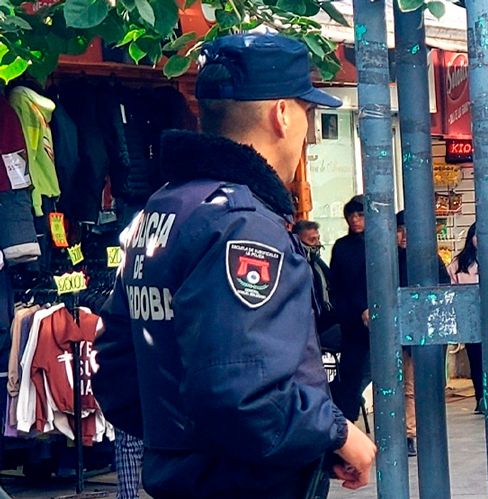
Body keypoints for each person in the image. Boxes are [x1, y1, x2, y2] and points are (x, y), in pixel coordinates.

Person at [93, 33, 376, 498]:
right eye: (307, 112)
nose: (307, 130)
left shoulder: (163, 210)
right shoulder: (244, 226)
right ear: (282, 114)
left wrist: (189, 444)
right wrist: (338, 432)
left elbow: (118, 370)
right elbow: (243, 392)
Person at [395, 210, 450, 455]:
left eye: (409, 230)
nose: (404, 235)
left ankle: (411, 432)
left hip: (424, 332)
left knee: (414, 386)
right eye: (400, 230)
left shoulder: (430, 259)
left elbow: (444, 291)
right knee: (404, 386)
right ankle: (408, 432)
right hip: (397, 330)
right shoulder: (386, 259)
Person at [329, 195, 372, 423]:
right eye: (351, 216)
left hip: (379, 315)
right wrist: (358, 308)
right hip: (352, 320)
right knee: (352, 371)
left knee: (373, 369)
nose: (355, 220)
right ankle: (346, 415)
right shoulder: (342, 247)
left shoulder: (380, 243)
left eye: (360, 215)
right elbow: (339, 283)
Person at [446, 223, 485, 414]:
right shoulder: (458, 263)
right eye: (477, 235)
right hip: (469, 319)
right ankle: (481, 397)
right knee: (476, 359)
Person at [294, 219, 337, 338]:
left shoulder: (317, 263)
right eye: (312, 240)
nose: (318, 243)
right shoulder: (295, 266)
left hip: (324, 320)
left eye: (318, 238)